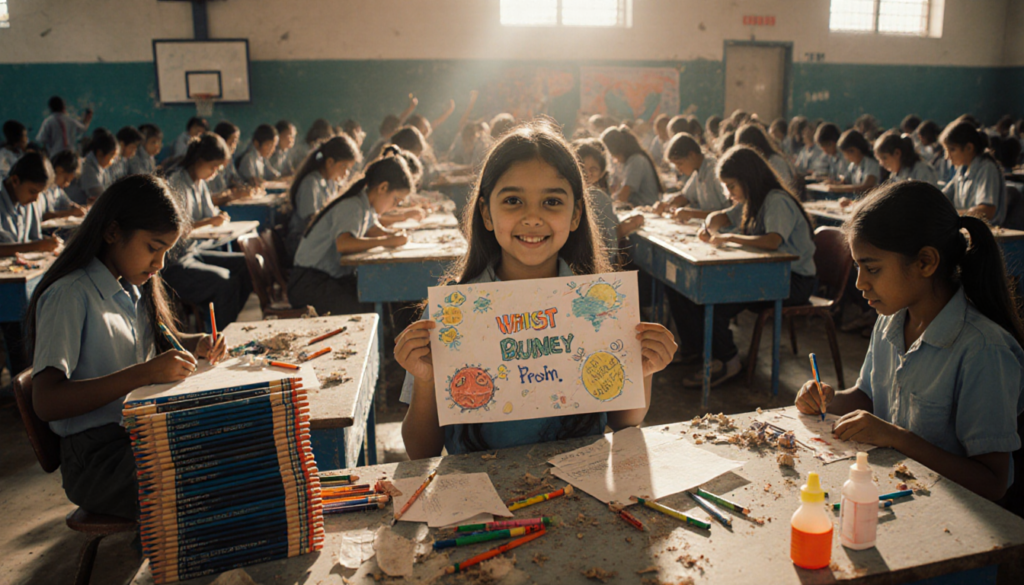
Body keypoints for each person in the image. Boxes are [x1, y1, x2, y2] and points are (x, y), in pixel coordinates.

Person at [397, 121, 676, 458]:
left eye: (552, 202)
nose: (532, 218)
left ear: (575, 215)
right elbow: (419, 449)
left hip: (578, 496)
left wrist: (642, 371)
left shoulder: (602, 308)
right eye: (513, 200)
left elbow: (623, 422)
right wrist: (426, 379)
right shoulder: (451, 316)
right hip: (482, 499)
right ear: (486, 212)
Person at [795, 180, 1023, 501]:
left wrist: (897, 438)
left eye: (871, 268)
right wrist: (825, 399)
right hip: (899, 490)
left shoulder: (983, 349)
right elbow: (868, 396)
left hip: (957, 515)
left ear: (925, 262)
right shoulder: (891, 319)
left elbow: (992, 483)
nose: (860, 283)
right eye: (858, 267)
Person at [27, 174, 227, 520]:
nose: (160, 264)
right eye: (153, 247)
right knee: (209, 483)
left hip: (135, 436)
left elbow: (160, 343)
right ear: (112, 232)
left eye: (166, 251)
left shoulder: (133, 288)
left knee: (236, 446)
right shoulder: (70, 295)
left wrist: (199, 344)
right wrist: (144, 374)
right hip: (96, 461)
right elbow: (46, 401)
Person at [667, 146, 816, 387]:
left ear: (749, 180)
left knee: (712, 297)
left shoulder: (776, 200)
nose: (728, 193)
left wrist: (728, 238)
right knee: (683, 290)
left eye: (732, 186)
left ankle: (728, 361)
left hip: (793, 280)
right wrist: (709, 226)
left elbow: (772, 240)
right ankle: (699, 351)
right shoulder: (752, 199)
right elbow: (721, 216)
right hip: (767, 274)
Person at [288, 147, 413, 315]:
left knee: (381, 295)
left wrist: (392, 235)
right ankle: (384, 339)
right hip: (309, 284)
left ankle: (388, 337)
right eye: (396, 200)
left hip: (323, 279)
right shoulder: (352, 205)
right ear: (383, 188)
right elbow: (344, 243)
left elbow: (372, 229)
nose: (395, 206)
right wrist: (388, 241)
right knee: (369, 308)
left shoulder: (364, 204)